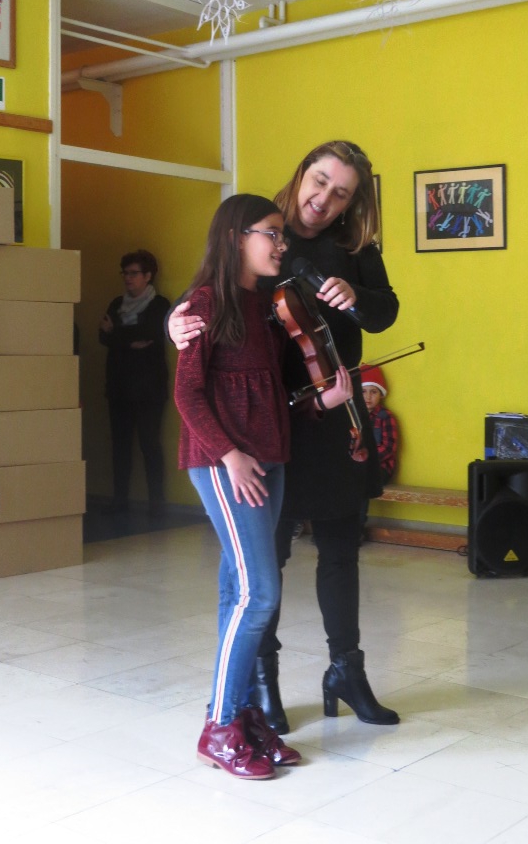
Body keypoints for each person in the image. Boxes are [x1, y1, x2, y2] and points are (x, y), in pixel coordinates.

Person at [169, 140, 400, 734]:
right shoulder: (264, 232)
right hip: (271, 418)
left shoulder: (355, 247)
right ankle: (262, 682)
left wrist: (358, 297)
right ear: (301, 175)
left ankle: (346, 671)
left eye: (341, 193)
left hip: (333, 405)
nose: (324, 199)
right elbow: (216, 290)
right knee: (269, 556)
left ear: (353, 203)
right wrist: (175, 320)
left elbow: (385, 312)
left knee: (341, 545)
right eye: (319, 181)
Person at [175, 193, 353, 780]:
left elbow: (273, 397)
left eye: (282, 235)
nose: (281, 244)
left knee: (239, 591)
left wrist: (322, 403)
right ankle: (219, 728)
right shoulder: (205, 304)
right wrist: (229, 456)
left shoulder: (264, 308)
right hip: (227, 464)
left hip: (268, 460)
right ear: (236, 238)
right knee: (259, 595)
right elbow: (187, 394)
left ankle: (243, 716)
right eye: (270, 234)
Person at [99, 249, 170, 513]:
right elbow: (102, 336)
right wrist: (129, 340)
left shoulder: (159, 304)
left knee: (149, 444)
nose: (128, 278)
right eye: (125, 273)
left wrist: (116, 334)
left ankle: (157, 503)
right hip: (119, 387)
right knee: (120, 446)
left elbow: (150, 333)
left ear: (148, 276)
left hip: (149, 388)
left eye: (133, 273)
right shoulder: (116, 303)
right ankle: (119, 500)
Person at [359, 365, 400, 539]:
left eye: (373, 392)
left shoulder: (385, 416)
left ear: (381, 394)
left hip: (380, 468)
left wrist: (367, 459)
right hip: (359, 465)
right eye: (363, 391)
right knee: (344, 480)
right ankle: (335, 528)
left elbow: (389, 447)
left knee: (361, 482)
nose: (368, 397)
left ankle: (357, 529)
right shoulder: (354, 416)